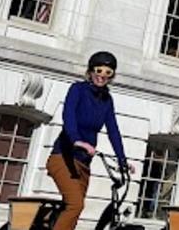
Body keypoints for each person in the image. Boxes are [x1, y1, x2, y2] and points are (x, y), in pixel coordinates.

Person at [47, 51, 134, 230]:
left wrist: (123, 161)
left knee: (75, 209)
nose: (102, 76)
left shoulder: (107, 100)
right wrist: (76, 140)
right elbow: (68, 115)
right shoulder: (77, 89)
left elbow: (113, 131)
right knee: (75, 204)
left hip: (84, 164)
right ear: (90, 71)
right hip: (63, 158)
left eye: (107, 73)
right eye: (99, 70)